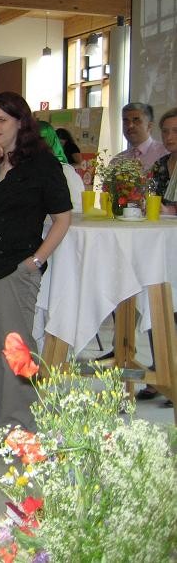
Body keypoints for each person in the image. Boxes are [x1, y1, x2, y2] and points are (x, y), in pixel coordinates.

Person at [0, 92, 71, 442]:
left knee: (17, 347)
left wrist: (36, 260)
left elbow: (63, 219)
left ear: (21, 123)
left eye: (2, 119)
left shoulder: (43, 165)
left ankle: (21, 423)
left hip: (15, 267)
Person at [135, 106, 177, 406]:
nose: (170, 136)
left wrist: (169, 210)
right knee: (156, 305)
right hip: (159, 245)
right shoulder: (161, 165)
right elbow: (148, 196)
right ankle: (160, 370)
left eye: (176, 131)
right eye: (166, 131)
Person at [111, 102, 168, 170]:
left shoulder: (165, 154)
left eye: (136, 120)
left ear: (149, 126)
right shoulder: (117, 161)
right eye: (126, 121)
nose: (130, 126)